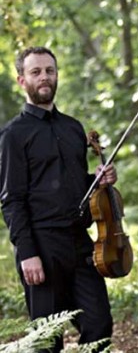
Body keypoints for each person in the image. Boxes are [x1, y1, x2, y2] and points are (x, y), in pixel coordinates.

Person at [0, 46, 116, 351]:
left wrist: (98, 182)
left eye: (49, 71)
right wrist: (27, 253)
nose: (44, 77)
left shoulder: (73, 128)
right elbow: (12, 200)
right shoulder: (13, 135)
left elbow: (77, 188)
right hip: (41, 245)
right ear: (22, 80)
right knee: (48, 340)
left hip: (80, 243)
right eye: (36, 72)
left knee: (99, 325)